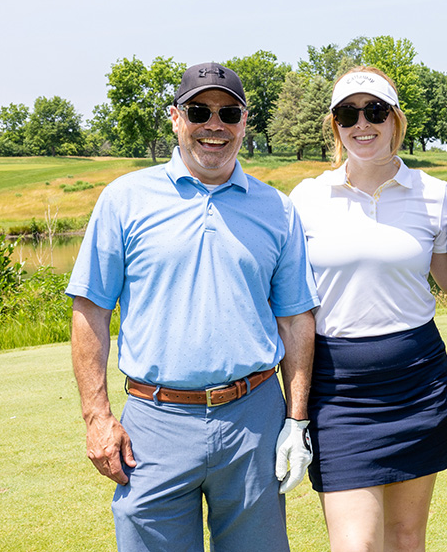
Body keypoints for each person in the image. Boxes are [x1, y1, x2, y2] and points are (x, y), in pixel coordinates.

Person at [68, 62, 319, 552]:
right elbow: (91, 310)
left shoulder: (278, 208)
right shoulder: (125, 199)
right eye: (199, 110)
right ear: (176, 117)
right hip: (154, 421)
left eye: (228, 112)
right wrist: (96, 415)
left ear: (245, 120)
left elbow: (294, 320)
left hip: (253, 418)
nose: (215, 125)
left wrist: (296, 420)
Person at [288, 67, 447, 552]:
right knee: (355, 544)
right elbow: (286, 301)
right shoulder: (305, 199)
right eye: (348, 114)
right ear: (336, 126)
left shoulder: (433, 195)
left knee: (406, 539)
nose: (362, 123)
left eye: (375, 111)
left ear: (395, 120)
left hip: (417, 382)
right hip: (339, 392)